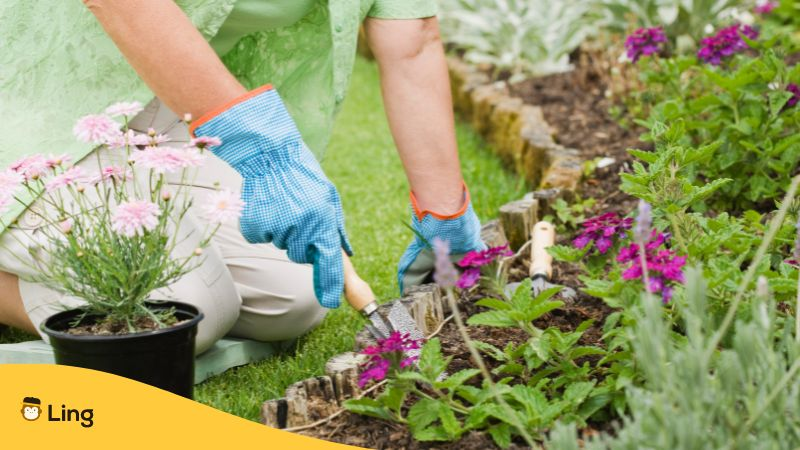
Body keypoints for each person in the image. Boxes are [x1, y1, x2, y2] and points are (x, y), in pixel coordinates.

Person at [0, 0, 485, 352]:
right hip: (25, 106)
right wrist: (262, 148)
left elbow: (413, 41)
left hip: (159, 110)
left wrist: (445, 215)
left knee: (294, 299)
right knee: (178, 316)